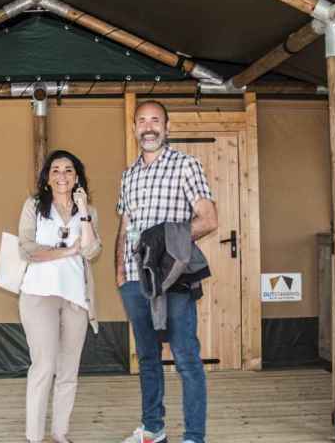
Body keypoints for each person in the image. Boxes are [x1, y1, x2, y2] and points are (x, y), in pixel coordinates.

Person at [116, 101, 218, 443]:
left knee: (186, 356)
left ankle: (193, 436)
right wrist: (121, 272)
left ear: (167, 126)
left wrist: (165, 237)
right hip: (134, 281)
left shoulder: (186, 165)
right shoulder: (128, 175)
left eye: (155, 120)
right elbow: (125, 224)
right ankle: (153, 429)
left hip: (173, 277)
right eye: (142, 121)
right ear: (134, 128)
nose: (148, 127)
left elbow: (208, 218)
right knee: (147, 357)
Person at [18, 150, 102, 443]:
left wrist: (85, 212)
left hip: (76, 297)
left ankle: (60, 433)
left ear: (77, 177)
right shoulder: (34, 206)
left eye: (68, 170)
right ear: (47, 177)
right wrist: (66, 251)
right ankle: (34, 436)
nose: (62, 175)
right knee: (44, 366)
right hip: (38, 294)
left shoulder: (87, 210)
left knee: (69, 370)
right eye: (56, 170)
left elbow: (91, 251)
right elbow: (26, 249)